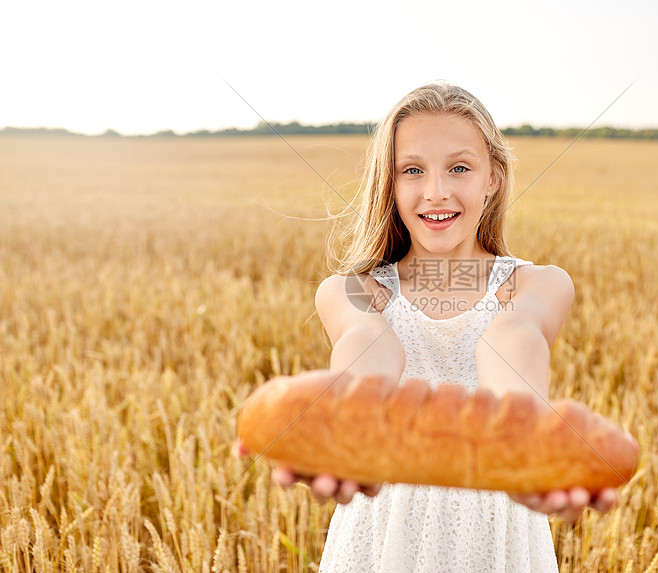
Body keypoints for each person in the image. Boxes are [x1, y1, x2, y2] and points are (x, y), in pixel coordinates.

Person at [239, 82, 625, 571]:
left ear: (494, 178)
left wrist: (524, 443)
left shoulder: (537, 284)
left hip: (497, 524)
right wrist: (350, 423)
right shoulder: (352, 289)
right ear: (391, 183)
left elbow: (513, 338)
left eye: (459, 168)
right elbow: (368, 344)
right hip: (381, 531)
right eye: (412, 170)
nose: (436, 190)